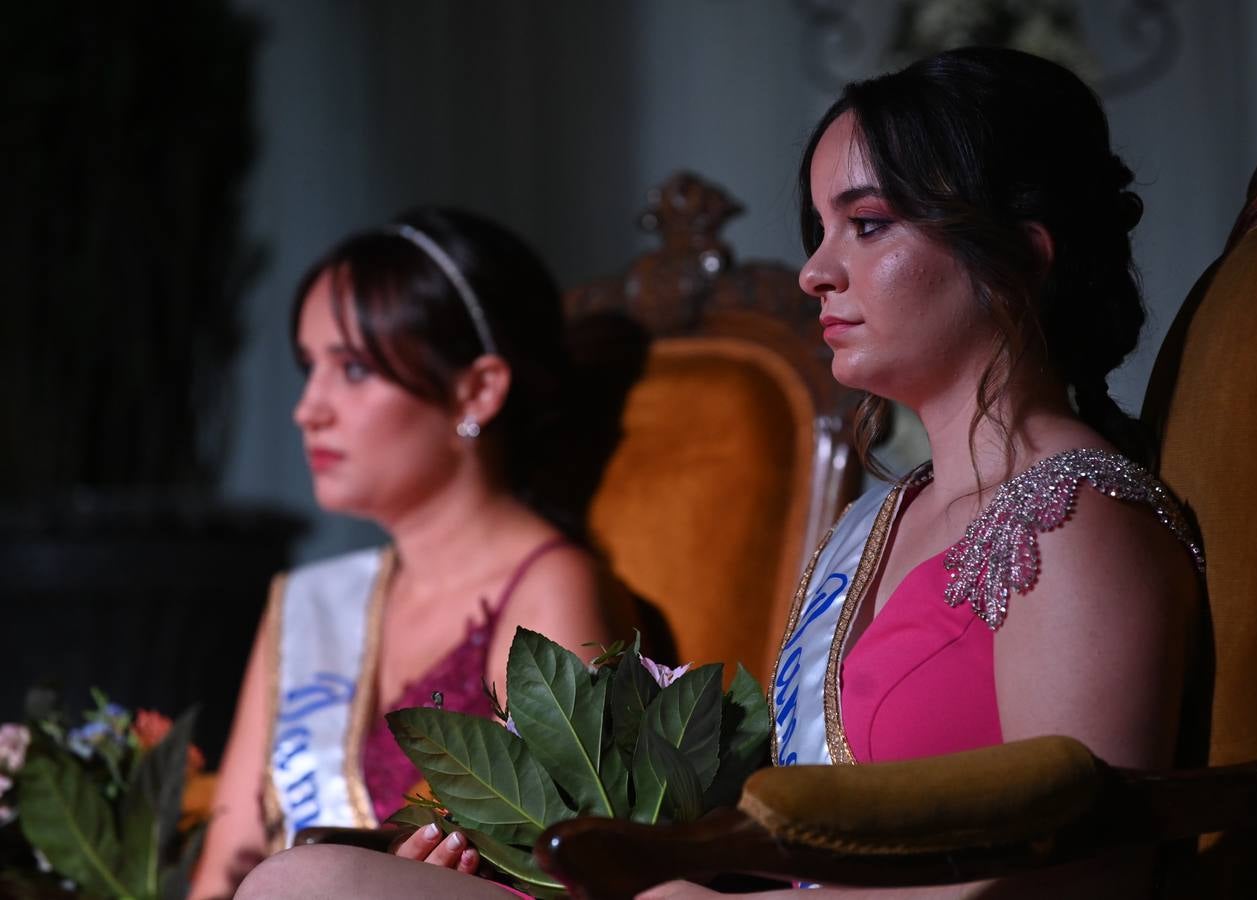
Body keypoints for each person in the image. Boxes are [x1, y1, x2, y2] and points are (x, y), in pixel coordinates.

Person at [236, 47, 1204, 899]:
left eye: (864, 226)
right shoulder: (883, 520)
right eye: (817, 233)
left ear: (1016, 257)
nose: (814, 273)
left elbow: (1079, 876)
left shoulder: (1079, 523)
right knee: (308, 881)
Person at [191, 209, 635, 899]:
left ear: (477, 389)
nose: (309, 409)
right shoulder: (309, 602)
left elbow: (565, 867)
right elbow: (222, 873)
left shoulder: (551, 588)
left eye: (355, 369)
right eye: (310, 368)